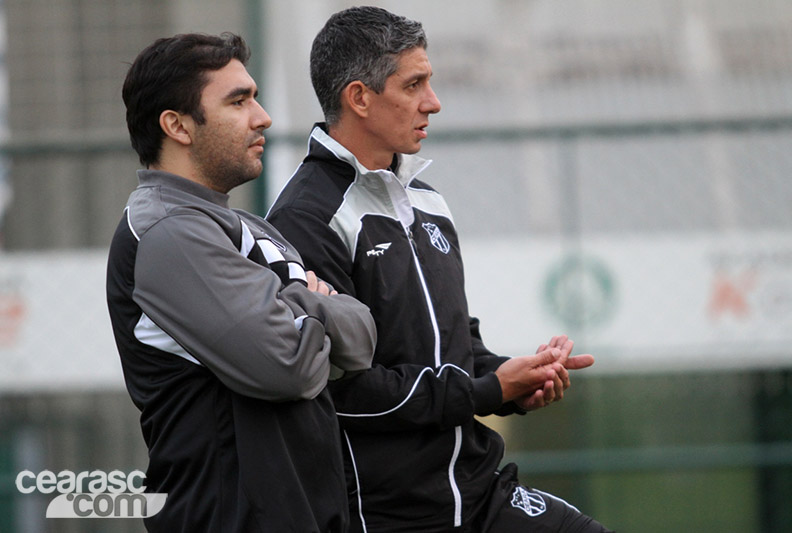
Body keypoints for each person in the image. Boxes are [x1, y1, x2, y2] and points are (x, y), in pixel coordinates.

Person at [267, 7, 613, 533]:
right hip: (386, 512)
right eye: (415, 85)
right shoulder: (305, 216)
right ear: (359, 98)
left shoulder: (428, 201)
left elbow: (457, 347)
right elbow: (338, 393)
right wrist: (486, 391)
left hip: (477, 488)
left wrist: (515, 379)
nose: (434, 102)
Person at [106, 32, 377, 532]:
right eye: (238, 101)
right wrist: (310, 300)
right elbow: (285, 368)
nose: (263, 116)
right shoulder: (169, 230)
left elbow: (360, 341)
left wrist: (293, 309)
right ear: (177, 126)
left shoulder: (249, 226)